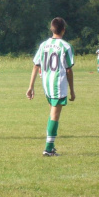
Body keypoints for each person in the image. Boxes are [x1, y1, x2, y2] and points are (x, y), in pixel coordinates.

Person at [27, 17, 75, 156]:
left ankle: (51, 145)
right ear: (63, 30)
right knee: (55, 115)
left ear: (51, 29)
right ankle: (48, 149)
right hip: (58, 83)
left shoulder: (43, 45)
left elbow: (36, 65)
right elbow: (68, 69)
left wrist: (31, 86)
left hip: (46, 83)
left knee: (52, 114)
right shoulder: (66, 46)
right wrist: (72, 90)